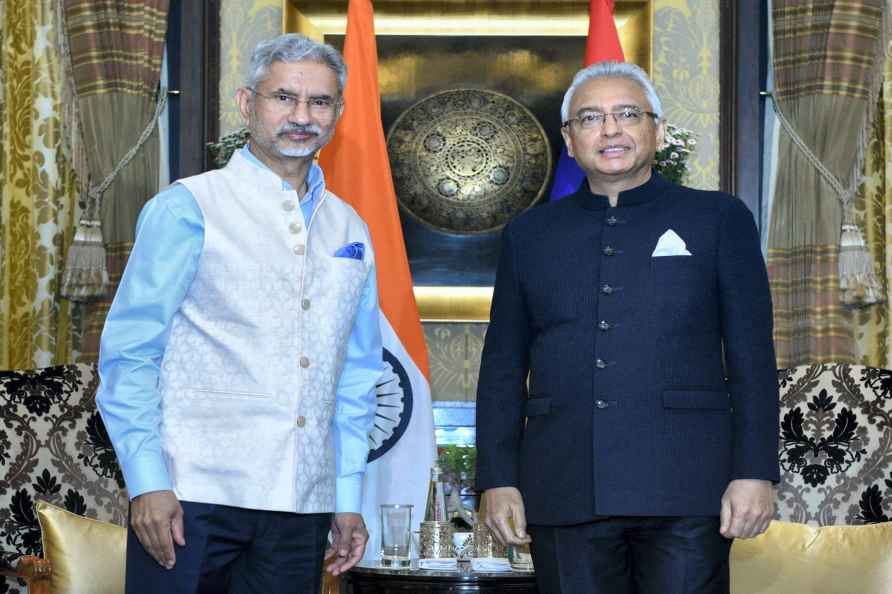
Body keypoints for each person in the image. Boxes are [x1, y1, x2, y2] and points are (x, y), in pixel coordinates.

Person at [475, 61, 779, 594]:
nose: (610, 130)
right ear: (570, 140)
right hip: (564, 484)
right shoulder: (530, 235)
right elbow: (502, 367)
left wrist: (755, 471)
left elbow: (752, 357)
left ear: (657, 130)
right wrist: (498, 479)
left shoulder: (719, 219)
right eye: (590, 118)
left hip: (688, 484)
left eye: (627, 114)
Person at [96, 33, 383, 594]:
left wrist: (346, 498)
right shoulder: (188, 206)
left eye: (320, 102)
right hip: (190, 499)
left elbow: (356, 377)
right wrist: (146, 483)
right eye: (284, 98)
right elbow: (130, 354)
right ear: (248, 103)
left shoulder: (350, 228)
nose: (302, 116)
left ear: (338, 114)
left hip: (303, 506)